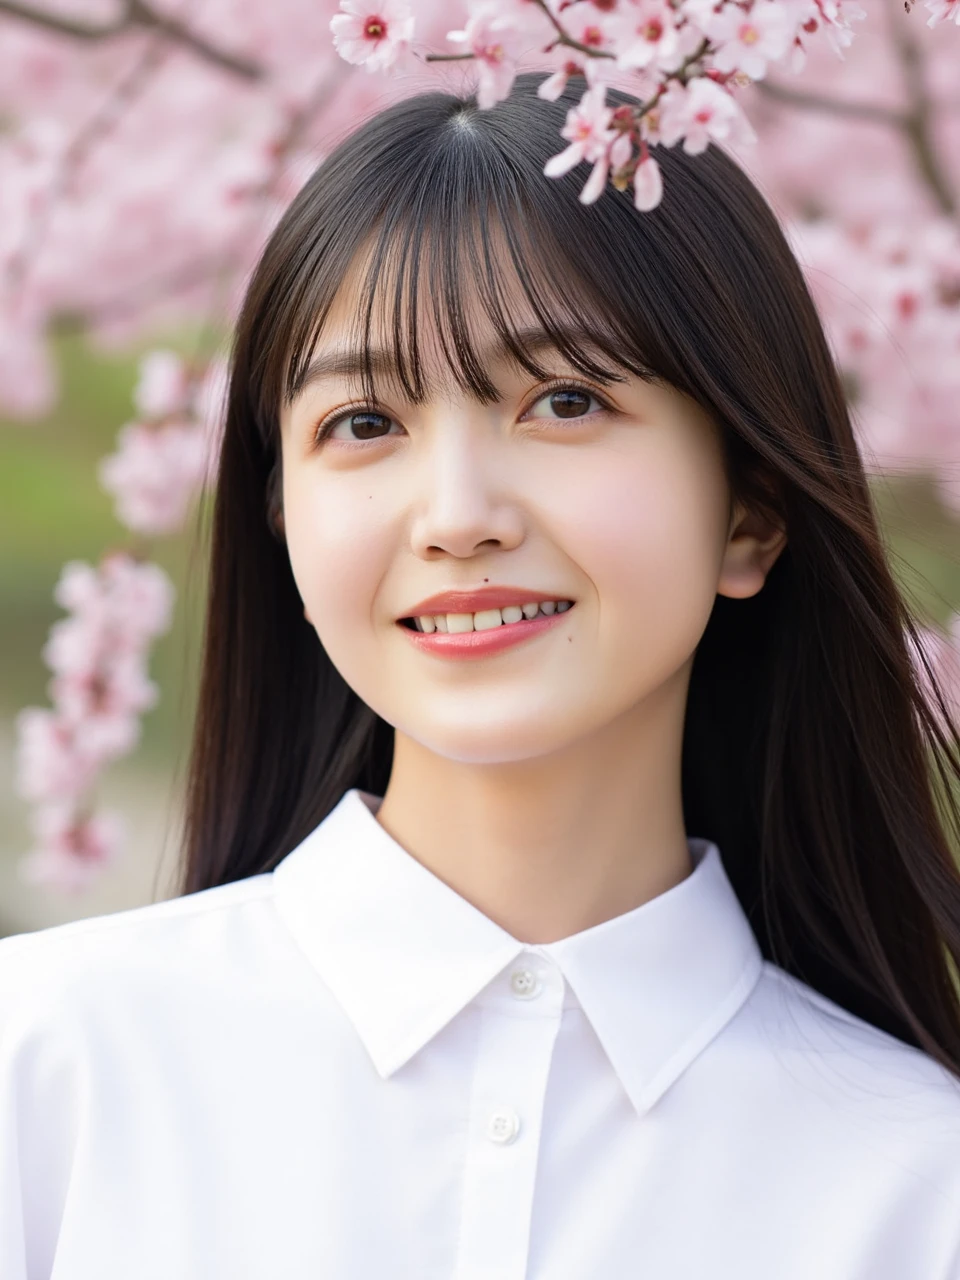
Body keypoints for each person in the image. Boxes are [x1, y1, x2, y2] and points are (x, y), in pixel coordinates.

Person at [3, 71, 960, 1279]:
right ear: (285, 520)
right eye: (363, 424)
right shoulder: (45, 1072)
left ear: (751, 514)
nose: (456, 518)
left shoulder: (919, 1184)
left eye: (565, 399)